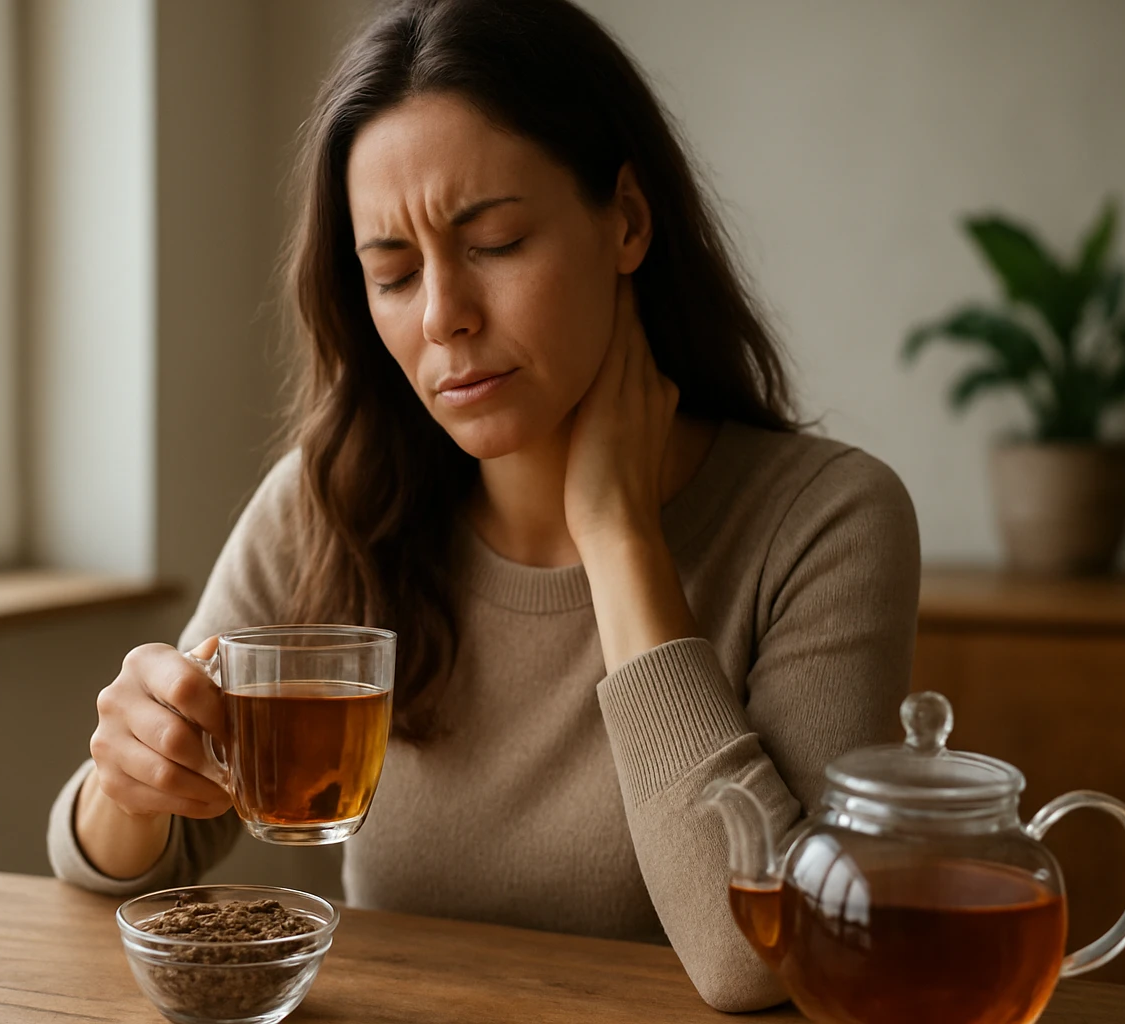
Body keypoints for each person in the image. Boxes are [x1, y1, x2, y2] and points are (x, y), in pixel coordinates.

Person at [47, 0, 919, 1011]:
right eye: (394, 273)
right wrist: (128, 776)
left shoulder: (826, 523)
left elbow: (763, 960)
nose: (443, 317)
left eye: (496, 242)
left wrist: (619, 537)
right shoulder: (335, 502)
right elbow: (118, 871)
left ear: (627, 221)